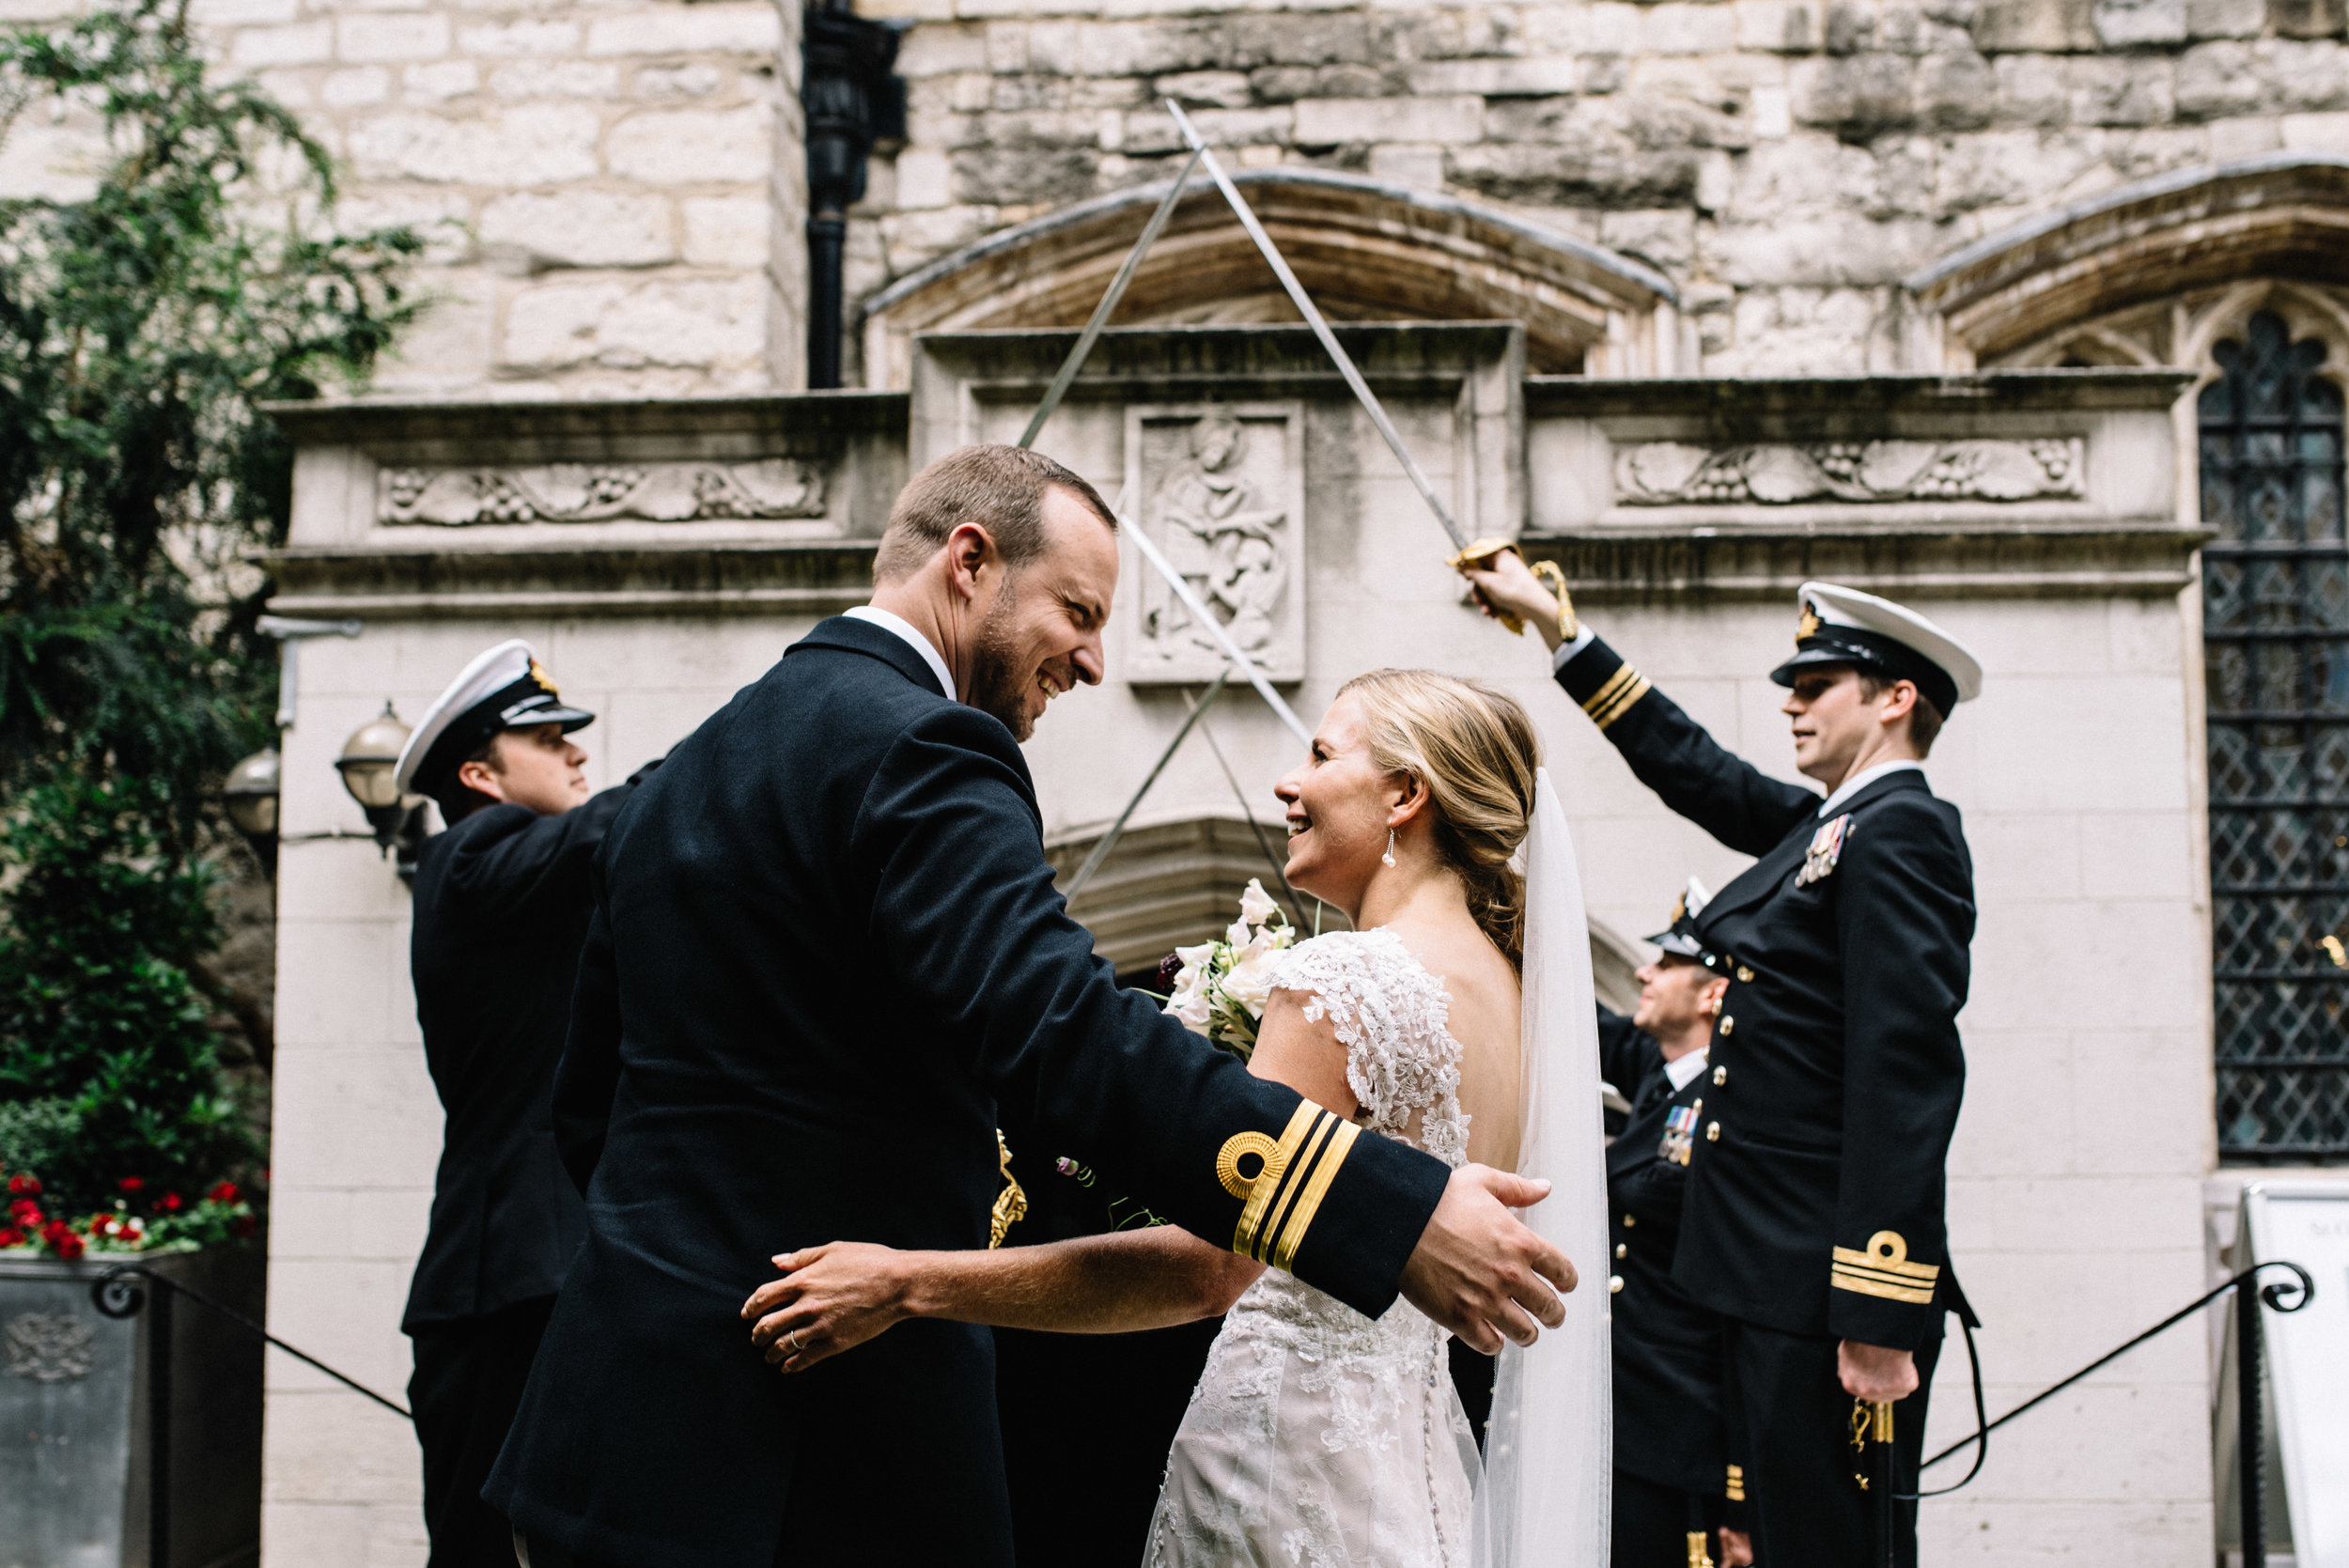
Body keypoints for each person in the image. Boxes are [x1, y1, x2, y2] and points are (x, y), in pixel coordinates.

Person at [484, 446, 1577, 1568]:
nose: (1096, 660)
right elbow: (1059, 1032)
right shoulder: (929, 748)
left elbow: (587, 1102)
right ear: (971, 563)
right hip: (819, 1447)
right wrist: (1380, 1207)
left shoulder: (684, 769)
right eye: (1079, 610)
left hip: (607, 1432)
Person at [739, 668, 1611, 1568]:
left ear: (1405, 795)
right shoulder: (1517, 1000)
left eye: (1319, 754)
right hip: (1417, 1470)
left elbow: (1209, 1271)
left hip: (1285, 1457)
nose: (1289, 783)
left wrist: (908, 1283)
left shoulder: (1342, 980)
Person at [1458, 553, 1982, 1568]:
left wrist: (1881, 1302)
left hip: (1822, 1284)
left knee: (1830, 1546)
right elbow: (1693, 768)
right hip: (1758, 1274)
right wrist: (1562, 635)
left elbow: (1904, 1067)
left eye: (1815, 686)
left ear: (1894, 698)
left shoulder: (1902, 830)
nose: (1789, 705)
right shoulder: (1826, 827)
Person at [392, 642, 647, 1568]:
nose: (577, 753)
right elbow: (609, 828)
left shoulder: (531, 887)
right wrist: (768, 732)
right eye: (546, 738)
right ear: (478, 774)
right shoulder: (469, 857)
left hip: (552, 1273)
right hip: (504, 1283)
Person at [1600, 881, 1752, 1568]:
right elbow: (1569, 1012)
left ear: (1712, 993)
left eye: (1665, 965)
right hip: (1627, 1417)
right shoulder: (1660, 1080)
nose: (1642, 970)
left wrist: (1739, 1491)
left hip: (1681, 1432)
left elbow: (1742, 1305)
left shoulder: (1734, 1106)